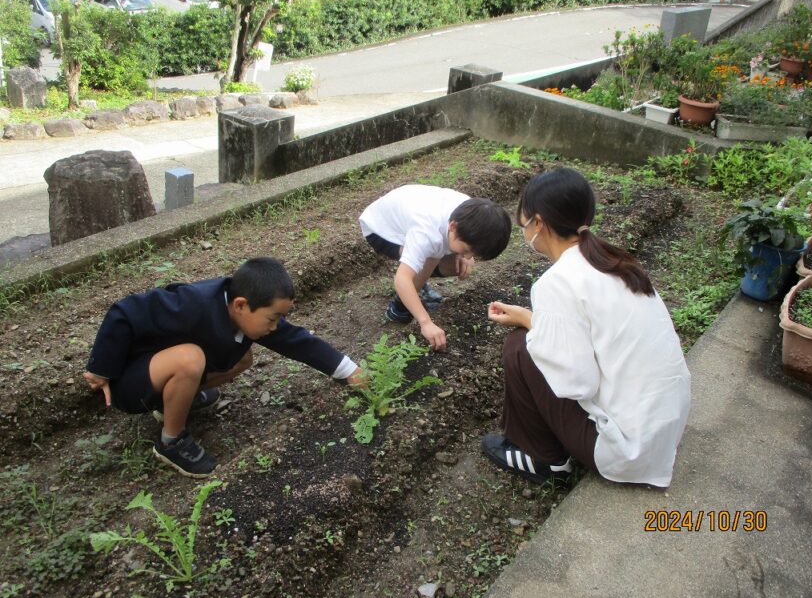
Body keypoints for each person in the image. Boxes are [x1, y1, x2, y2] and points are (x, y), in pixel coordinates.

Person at [483, 168, 690, 488]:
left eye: (524, 225)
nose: (525, 233)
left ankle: (545, 462)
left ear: (539, 224)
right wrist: (530, 318)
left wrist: (539, 337)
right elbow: (592, 334)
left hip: (626, 450)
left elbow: (578, 384)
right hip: (662, 430)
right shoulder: (614, 261)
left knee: (519, 349)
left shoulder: (557, 282)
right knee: (531, 338)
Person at [83, 257, 362, 478]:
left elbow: (296, 341)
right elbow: (124, 311)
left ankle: (179, 398)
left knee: (243, 359)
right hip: (131, 381)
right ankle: (171, 441)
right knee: (190, 359)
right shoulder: (192, 303)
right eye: (273, 318)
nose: (275, 327)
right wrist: (102, 367)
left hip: (160, 371)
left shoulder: (248, 310)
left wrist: (348, 371)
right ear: (241, 305)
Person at [359, 184, 511, 350]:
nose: (469, 257)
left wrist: (464, 254)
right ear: (453, 227)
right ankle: (398, 309)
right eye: (467, 250)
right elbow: (402, 278)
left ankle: (418, 281)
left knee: (456, 265)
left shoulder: (475, 214)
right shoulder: (427, 234)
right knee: (430, 255)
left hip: (409, 213)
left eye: (473, 253)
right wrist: (426, 323)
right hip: (381, 229)